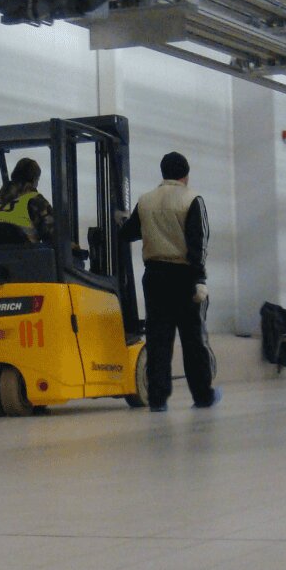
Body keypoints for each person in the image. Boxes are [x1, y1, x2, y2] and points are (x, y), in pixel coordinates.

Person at [118, 151, 217, 411]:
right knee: (192, 339)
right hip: (184, 277)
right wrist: (200, 278)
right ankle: (202, 396)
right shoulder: (192, 199)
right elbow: (199, 242)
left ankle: (158, 400)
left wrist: (121, 220)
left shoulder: (146, 200)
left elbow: (127, 233)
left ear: (163, 173)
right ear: (185, 175)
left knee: (158, 339)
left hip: (154, 277)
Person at [0, 157, 54, 245]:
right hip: (26, 257)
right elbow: (54, 237)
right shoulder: (35, 202)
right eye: (38, 180)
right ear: (34, 179)